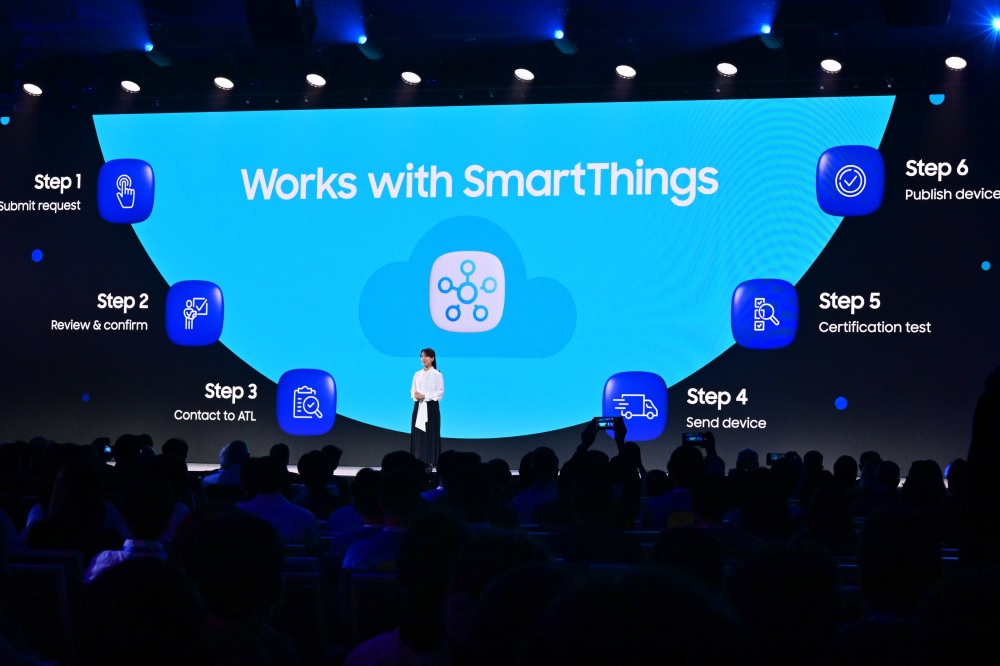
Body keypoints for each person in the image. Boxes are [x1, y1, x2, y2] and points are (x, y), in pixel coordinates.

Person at [410, 347, 443, 467]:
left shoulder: (437, 374)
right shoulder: (417, 374)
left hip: (431, 407)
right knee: (418, 433)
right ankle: (417, 458)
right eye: (422, 356)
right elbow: (413, 389)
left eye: (426, 356)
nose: (423, 359)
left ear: (432, 358)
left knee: (430, 432)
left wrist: (425, 396)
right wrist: (415, 395)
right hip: (418, 406)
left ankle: (430, 460)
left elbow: (440, 392)